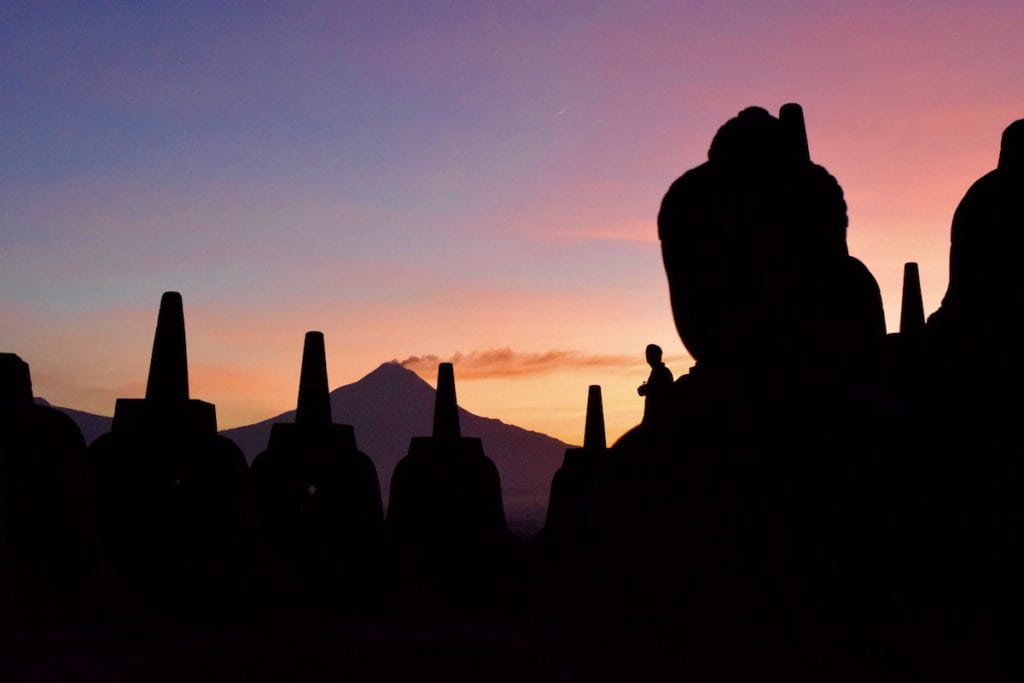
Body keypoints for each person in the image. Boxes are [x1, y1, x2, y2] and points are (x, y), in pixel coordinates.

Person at [636, 343, 673, 421]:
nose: (647, 357)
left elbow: (658, 391)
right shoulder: (659, 371)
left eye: (648, 354)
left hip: (658, 418)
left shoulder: (661, 372)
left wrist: (645, 389)